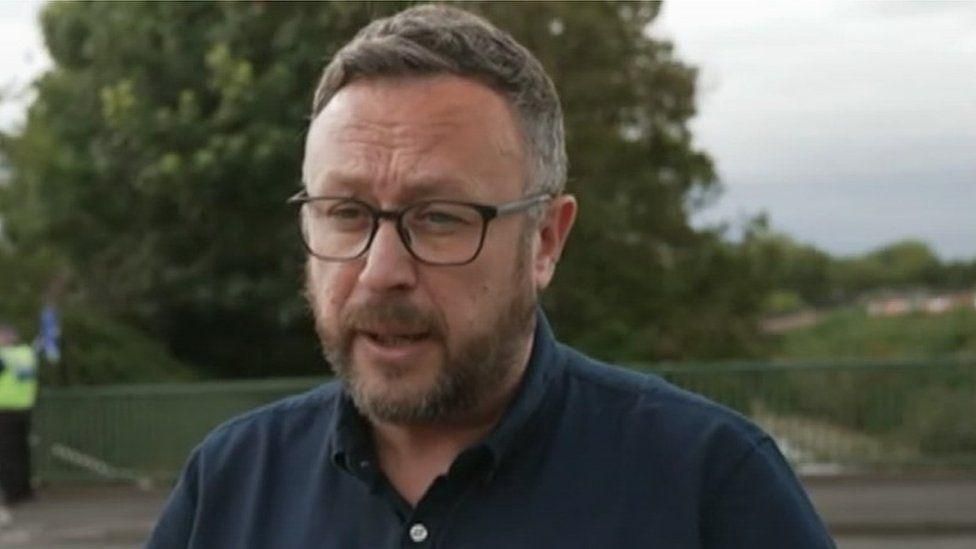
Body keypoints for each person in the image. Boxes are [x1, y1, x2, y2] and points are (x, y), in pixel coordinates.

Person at [148, 5, 834, 547]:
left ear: (545, 239)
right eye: (346, 213)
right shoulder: (231, 484)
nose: (382, 270)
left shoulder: (708, 483)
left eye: (441, 217)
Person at [0, 324, 38, 509]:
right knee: (22, 451)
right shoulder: (26, 353)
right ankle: (24, 491)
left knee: (8, 454)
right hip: (24, 407)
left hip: (5, 409)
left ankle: (12, 493)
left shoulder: (3, 356)